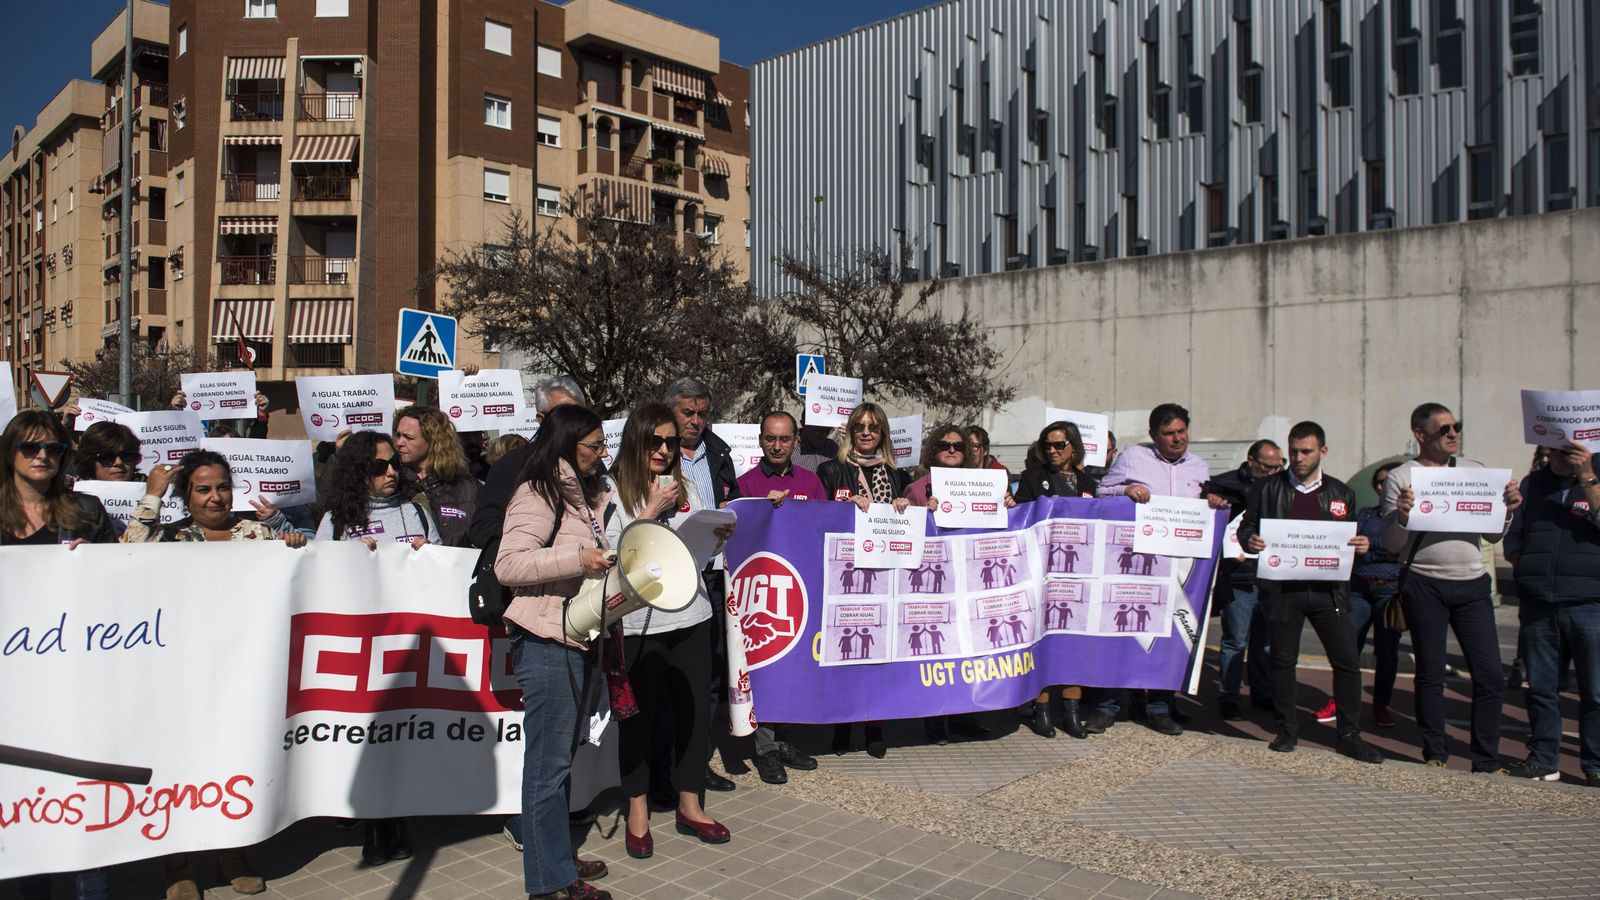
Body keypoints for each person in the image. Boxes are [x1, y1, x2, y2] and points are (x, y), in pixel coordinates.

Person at [494, 405, 616, 900]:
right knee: (547, 768)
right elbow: (510, 564)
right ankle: (550, 883)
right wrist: (579, 558)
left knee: (558, 762)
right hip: (545, 639)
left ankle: (556, 859)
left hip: (572, 636)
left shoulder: (583, 494)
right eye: (594, 445)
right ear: (567, 444)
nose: (602, 452)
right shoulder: (538, 490)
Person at [606, 403, 735, 860]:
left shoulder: (684, 489)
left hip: (692, 614)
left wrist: (713, 539)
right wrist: (650, 510)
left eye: (669, 442)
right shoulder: (612, 491)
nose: (664, 450)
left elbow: (691, 550)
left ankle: (690, 804)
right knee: (640, 721)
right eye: (655, 441)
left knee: (695, 713)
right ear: (636, 442)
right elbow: (618, 554)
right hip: (641, 622)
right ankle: (637, 812)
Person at [2, 411, 117, 900]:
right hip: (12, 686)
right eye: (31, 448)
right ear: (10, 454)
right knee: (21, 805)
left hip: (74, 678)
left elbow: (127, 580)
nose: (43, 457)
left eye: (53, 448)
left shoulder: (86, 511)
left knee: (79, 806)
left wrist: (99, 565)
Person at [310, 432, 434, 864]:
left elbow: (441, 568)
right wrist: (349, 556)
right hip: (359, 651)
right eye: (379, 466)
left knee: (399, 736)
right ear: (359, 472)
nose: (390, 473)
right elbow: (321, 580)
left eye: (392, 465)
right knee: (370, 738)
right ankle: (375, 826)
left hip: (407, 646)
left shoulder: (414, 511)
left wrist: (428, 552)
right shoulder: (336, 520)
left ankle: (394, 822)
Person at [1382, 402, 1521, 774]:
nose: (1453, 434)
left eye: (1455, 426)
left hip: (1472, 584)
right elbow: (1393, 544)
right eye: (1444, 429)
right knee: (1430, 672)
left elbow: (1492, 533)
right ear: (1420, 434)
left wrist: (1507, 510)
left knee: (1490, 674)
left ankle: (1486, 759)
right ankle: (1436, 753)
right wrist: (1403, 515)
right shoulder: (1401, 477)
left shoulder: (1476, 472)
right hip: (1424, 583)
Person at [1236, 422, 1383, 763]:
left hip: (1329, 593)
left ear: (1323, 452)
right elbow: (1248, 526)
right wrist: (1250, 540)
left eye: (1306, 452)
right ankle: (1286, 730)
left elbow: (1350, 538)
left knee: (1347, 662)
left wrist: (1361, 544)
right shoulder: (1266, 488)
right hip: (1284, 590)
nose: (1298, 458)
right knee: (1283, 661)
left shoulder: (1341, 493)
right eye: (1294, 452)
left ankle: (1349, 735)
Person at [1089, 403, 1228, 735]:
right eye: (1169, 433)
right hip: (1135, 565)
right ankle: (1108, 705)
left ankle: (1159, 707)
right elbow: (1100, 491)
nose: (1177, 438)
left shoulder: (1199, 466)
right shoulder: (1134, 458)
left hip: (1179, 569)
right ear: (1154, 436)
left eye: (1182, 431)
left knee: (1170, 637)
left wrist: (1215, 502)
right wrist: (1126, 490)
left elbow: (1208, 507)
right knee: (1122, 633)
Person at [734, 410, 823, 784]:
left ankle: (784, 740)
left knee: (794, 668)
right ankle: (765, 749)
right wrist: (760, 511)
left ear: (795, 441)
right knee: (766, 670)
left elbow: (825, 525)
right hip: (762, 594)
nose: (777, 445)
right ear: (760, 440)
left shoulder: (811, 481)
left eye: (785, 439)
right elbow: (734, 532)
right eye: (771, 438)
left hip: (802, 588)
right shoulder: (745, 484)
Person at [1503, 440, 1600, 784]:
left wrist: (1587, 475)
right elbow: (1513, 535)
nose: (1554, 457)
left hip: (1590, 602)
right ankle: (1544, 759)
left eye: (1565, 451)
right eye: (1551, 450)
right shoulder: (1533, 483)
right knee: (1541, 687)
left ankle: (1595, 764)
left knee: (1595, 690)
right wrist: (1521, 561)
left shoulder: (1596, 476)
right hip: (1538, 601)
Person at [662, 377, 742, 794]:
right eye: (687, 412)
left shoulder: (718, 453)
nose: (696, 421)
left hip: (713, 577)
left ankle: (698, 761)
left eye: (703, 413)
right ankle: (663, 769)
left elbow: (733, 500)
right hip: (670, 577)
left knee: (708, 675)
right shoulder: (656, 453)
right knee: (667, 677)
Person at [819, 402, 911, 757]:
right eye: (860, 426)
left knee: (879, 655)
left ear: (882, 433)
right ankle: (843, 725)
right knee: (846, 655)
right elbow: (818, 519)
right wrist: (842, 510)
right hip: (845, 578)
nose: (867, 432)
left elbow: (906, 523)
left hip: (884, 576)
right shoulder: (831, 470)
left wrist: (902, 506)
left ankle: (875, 725)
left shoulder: (895, 473)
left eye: (874, 427)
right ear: (851, 431)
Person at [903, 423, 1004, 744]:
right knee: (936, 655)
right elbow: (907, 532)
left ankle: (965, 716)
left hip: (969, 585)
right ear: (933, 449)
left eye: (958, 446)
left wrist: (1007, 507)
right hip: (932, 586)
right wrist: (921, 513)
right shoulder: (917, 488)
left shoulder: (985, 485)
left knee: (968, 651)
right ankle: (934, 720)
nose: (951, 450)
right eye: (945, 444)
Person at [1012, 421, 1097, 739]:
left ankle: (1072, 713)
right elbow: (1019, 518)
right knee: (1044, 643)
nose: (1053, 450)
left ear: (1073, 446)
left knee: (1074, 645)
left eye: (1059, 445)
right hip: (1042, 575)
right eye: (1047, 445)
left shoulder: (1089, 482)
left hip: (1077, 575)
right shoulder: (1034, 478)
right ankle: (1042, 711)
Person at [1202, 439, 1284, 720]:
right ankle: (1229, 695)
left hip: (1271, 574)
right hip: (1239, 575)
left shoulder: (1284, 485)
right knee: (1236, 639)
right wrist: (1210, 501)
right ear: (1251, 460)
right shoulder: (1224, 484)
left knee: (1264, 641)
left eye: (1279, 466)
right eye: (1268, 466)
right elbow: (1207, 518)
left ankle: (1262, 692)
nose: (1274, 472)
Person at [123, 452, 307, 547]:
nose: (216, 498)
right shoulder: (170, 536)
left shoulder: (260, 533)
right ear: (184, 494)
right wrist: (153, 495)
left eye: (223, 488)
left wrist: (292, 545)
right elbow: (130, 550)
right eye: (203, 490)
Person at [1348, 462, 1404, 728]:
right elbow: (1349, 539)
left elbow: (1401, 548)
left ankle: (1381, 704)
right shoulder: (1366, 515)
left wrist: (1372, 547)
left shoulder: (1406, 517)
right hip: (1360, 587)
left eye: (1388, 481)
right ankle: (1342, 700)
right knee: (1348, 645)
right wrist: (1355, 544)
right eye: (1379, 482)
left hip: (1389, 588)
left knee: (1387, 651)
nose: (1383, 487)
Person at [394, 405, 479, 547]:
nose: (399, 443)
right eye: (398, 435)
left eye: (408, 437)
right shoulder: (393, 482)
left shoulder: (466, 486)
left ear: (433, 440)